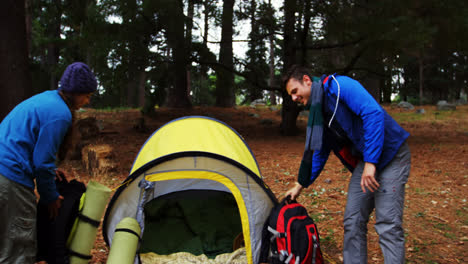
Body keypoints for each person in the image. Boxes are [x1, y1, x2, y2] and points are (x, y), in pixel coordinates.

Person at [283, 65, 411, 264]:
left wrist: (370, 162)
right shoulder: (319, 111)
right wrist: (300, 184)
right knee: (353, 220)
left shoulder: (340, 86)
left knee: (388, 224)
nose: (293, 98)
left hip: (392, 154)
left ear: (307, 81)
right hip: (368, 160)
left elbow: (373, 113)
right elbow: (319, 150)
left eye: (294, 92)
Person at [0, 62, 97, 263]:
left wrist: (52, 171)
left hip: (4, 168)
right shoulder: (60, 114)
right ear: (74, 92)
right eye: (86, 95)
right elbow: (42, 163)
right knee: (19, 247)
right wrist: (51, 196)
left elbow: (31, 143)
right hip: (10, 179)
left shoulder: (46, 99)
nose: (87, 100)